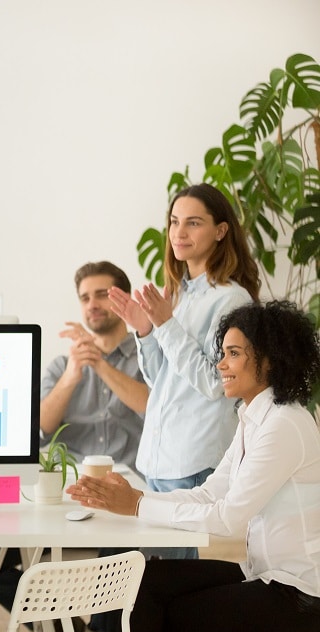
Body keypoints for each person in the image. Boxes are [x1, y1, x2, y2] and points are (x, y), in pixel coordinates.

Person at [66, 300, 320, 632]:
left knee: (168, 613)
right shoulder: (254, 416)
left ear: (268, 359)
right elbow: (210, 492)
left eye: (233, 354)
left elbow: (227, 517)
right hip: (264, 575)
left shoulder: (284, 424)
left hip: (300, 596)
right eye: (223, 353)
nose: (221, 364)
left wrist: (137, 506)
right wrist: (137, 497)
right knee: (144, 582)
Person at [0, 260, 148, 632]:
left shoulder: (147, 355)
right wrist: (74, 375)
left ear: (122, 300)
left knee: (127, 546)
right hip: (66, 496)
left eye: (101, 295)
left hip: (124, 497)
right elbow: (38, 427)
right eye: (84, 298)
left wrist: (102, 365)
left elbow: (153, 408)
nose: (92, 304)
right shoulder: (63, 366)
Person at [108, 183, 260, 559]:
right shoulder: (175, 294)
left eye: (193, 223)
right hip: (159, 458)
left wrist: (166, 324)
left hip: (194, 462)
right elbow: (162, 379)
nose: (179, 232)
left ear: (220, 231)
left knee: (175, 583)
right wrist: (146, 329)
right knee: (151, 579)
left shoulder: (231, 299)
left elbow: (216, 382)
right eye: (175, 222)